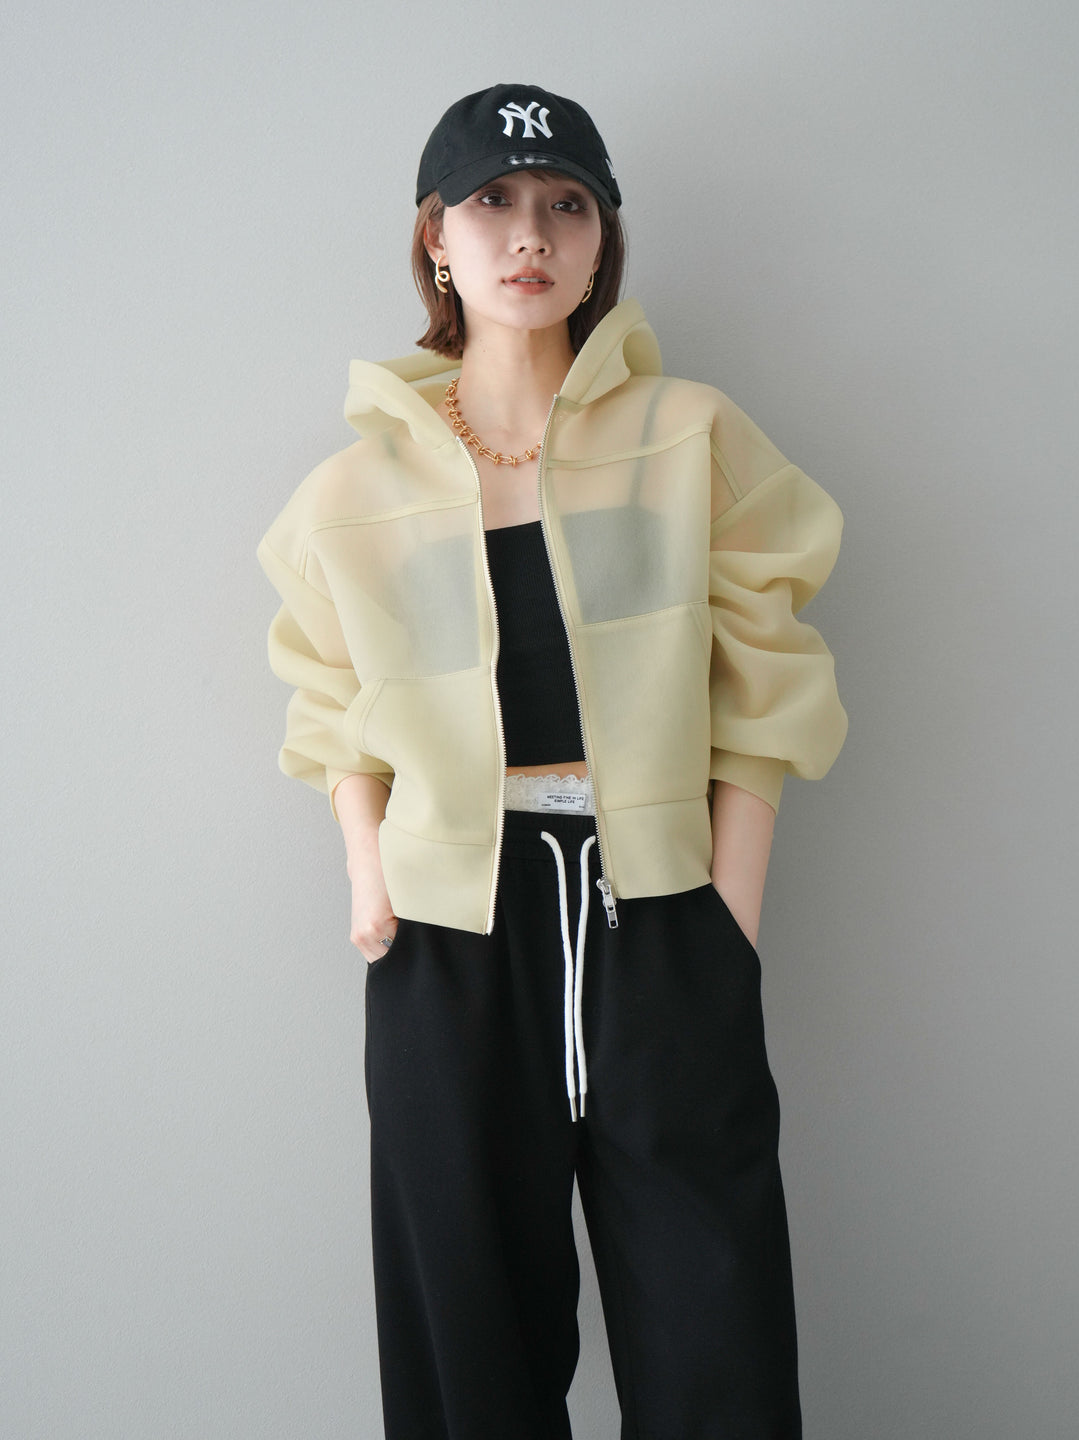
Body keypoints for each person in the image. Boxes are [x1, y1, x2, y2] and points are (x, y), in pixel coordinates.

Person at [258, 82, 847, 1440]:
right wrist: (370, 883)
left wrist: (727, 920)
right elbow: (330, 700)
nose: (531, 234)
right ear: (437, 239)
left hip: (660, 910)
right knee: (466, 1343)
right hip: (448, 935)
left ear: (601, 244)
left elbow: (765, 679)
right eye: (494, 202)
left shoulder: (691, 435)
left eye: (567, 205)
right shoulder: (352, 494)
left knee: (715, 1338)